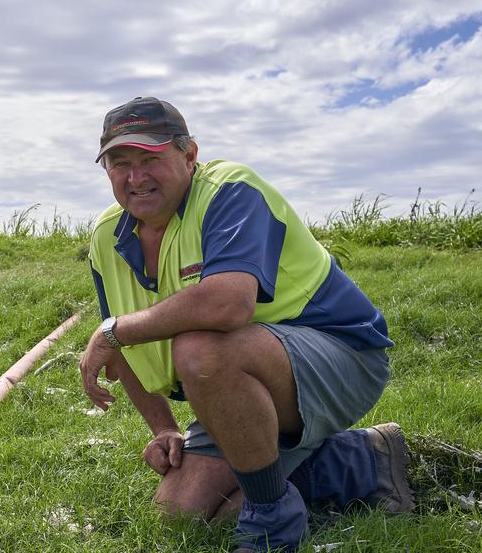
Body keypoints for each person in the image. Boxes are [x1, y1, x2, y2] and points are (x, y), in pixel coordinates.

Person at [77, 97, 413, 553]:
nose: (136, 177)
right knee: (180, 510)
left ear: (189, 154)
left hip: (343, 357)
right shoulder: (106, 237)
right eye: (120, 164)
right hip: (243, 379)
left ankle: (272, 516)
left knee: (201, 347)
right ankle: (361, 462)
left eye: (150, 159)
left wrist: (114, 331)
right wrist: (162, 428)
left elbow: (228, 305)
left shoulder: (230, 189)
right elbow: (125, 338)